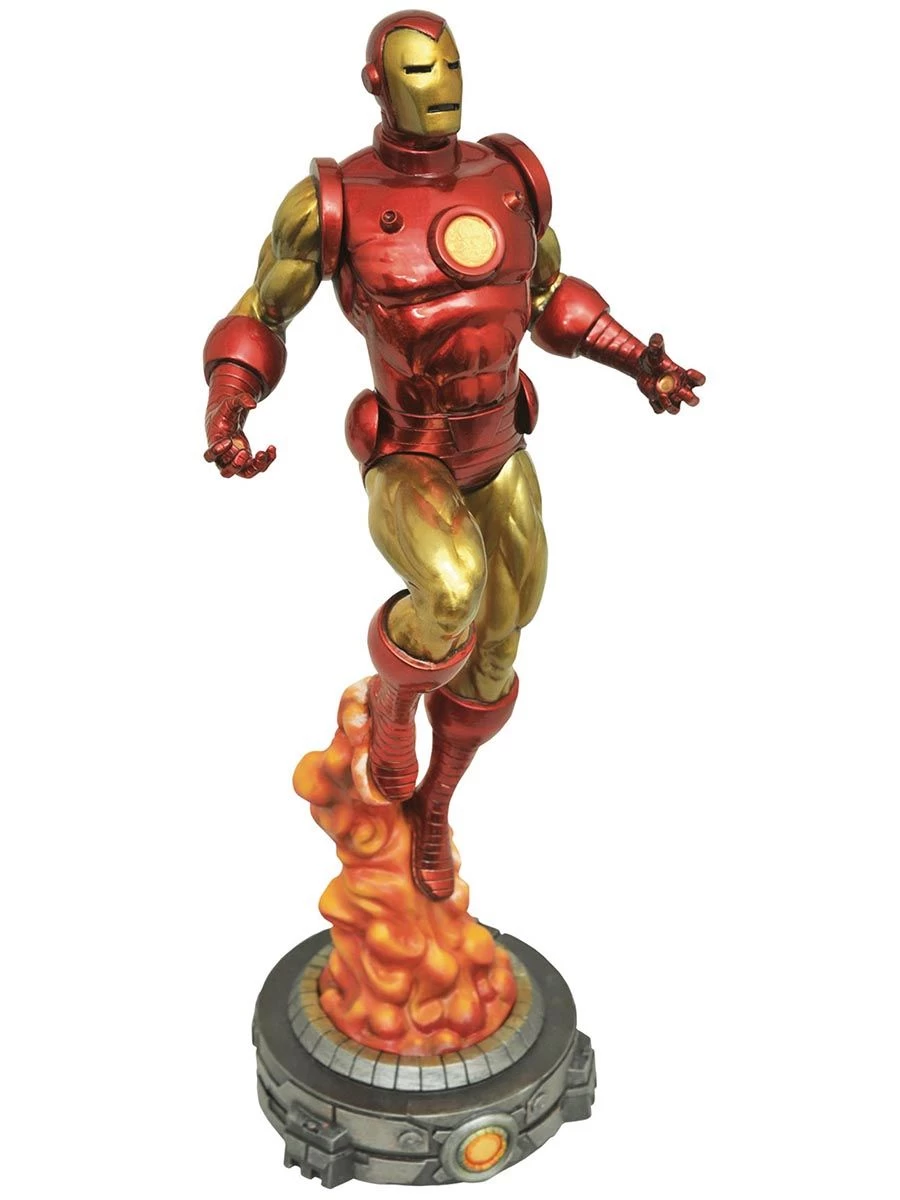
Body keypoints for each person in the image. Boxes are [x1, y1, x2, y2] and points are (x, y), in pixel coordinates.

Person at [202, 10, 705, 901]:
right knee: (450, 589)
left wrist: (639, 361)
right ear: (378, 83)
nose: (443, 84)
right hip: (412, 450)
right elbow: (263, 309)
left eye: (452, 64)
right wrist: (229, 402)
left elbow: (548, 295)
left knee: (505, 636)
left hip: (500, 446)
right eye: (419, 68)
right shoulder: (333, 200)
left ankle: (436, 805)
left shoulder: (508, 177)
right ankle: (394, 705)